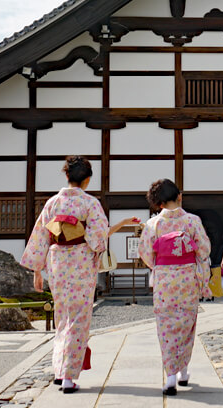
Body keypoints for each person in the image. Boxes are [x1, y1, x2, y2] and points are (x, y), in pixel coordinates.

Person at [20, 156, 139, 394]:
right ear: (86, 180)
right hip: (81, 264)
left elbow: (40, 237)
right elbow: (97, 240)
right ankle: (68, 377)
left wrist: (37, 272)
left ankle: (59, 370)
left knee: (62, 317)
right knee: (78, 319)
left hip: (56, 264)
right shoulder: (90, 203)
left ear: (66, 176)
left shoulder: (52, 203)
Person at [138, 179, 211, 396]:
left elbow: (145, 253)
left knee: (166, 324)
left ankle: (170, 376)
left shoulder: (153, 224)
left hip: (164, 280)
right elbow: (204, 249)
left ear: (158, 202)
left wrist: (161, 267)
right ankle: (184, 371)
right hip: (187, 278)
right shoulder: (192, 221)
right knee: (186, 323)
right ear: (179, 196)